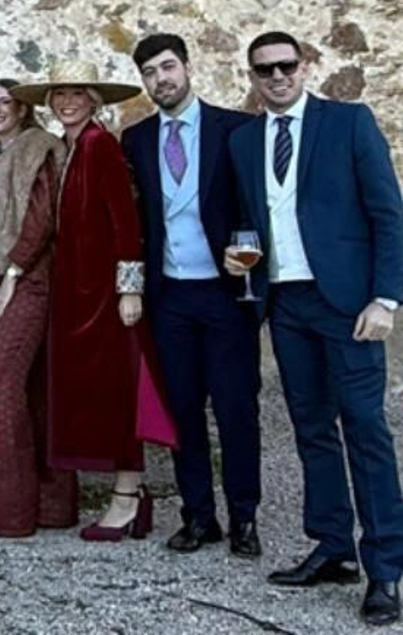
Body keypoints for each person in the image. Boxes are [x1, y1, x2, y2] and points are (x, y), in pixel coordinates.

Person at [224, 31, 403, 626]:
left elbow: (386, 213)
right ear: (251, 76)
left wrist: (385, 298)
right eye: (263, 70)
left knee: (365, 430)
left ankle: (384, 570)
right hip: (287, 303)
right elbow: (249, 222)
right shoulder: (246, 140)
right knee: (311, 428)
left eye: (285, 66)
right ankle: (332, 547)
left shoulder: (349, 123)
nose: (276, 77)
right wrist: (240, 261)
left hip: (349, 305)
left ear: (305, 66)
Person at [9, 62, 177, 541]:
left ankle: (127, 497)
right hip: (78, 291)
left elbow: (125, 219)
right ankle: (128, 496)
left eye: (76, 94)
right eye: (58, 94)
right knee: (99, 393)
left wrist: (129, 286)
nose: (66, 102)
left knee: (122, 391)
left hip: (105, 292)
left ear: (93, 101)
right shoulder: (70, 148)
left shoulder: (100, 146)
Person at [121, 34, 263, 557]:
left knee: (236, 409)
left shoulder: (236, 129)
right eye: (151, 73)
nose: (162, 79)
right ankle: (199, 515)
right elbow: (132, 223)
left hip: (226, 295)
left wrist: (251, 253)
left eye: (168, 67)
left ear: (187, 68)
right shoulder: (134, 139)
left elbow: (257, 205)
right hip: (170, 297)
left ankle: (244, 517)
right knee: (182, 410)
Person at [0, 79, 79, 538]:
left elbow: (40, 218)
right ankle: (52, 506)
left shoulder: (38, 148)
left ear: (22, 109)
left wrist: (13, 275)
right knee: (34, 388)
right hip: (14, 277)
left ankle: (6, 513)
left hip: (31, 279)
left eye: (5, 103)